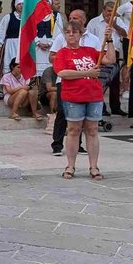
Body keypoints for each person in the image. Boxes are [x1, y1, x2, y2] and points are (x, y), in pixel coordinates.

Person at [55, 21, 116, 180]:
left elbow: (110, 59)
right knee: (73, 130)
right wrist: (86, 73)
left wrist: (109, 40)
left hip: (94, 95)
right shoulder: (62, 53)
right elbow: (62, 73)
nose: (71, 35)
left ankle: (94, 166)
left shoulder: (89, 50)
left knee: (92, 130)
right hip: (73, 96)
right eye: (68, 32)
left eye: (75, 32)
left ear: (81, 34)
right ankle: (70, 165)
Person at [48, 11, 100, 156]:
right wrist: (63, 58)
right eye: (70, 18)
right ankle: (57, 144)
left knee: (83, 119)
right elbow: (52, 55)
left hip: (87, 85)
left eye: (75, 18)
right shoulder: (61, 37)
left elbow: (103, 57)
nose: (72, 20)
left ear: (84, 20)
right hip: (66, 82)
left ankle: (79, 145)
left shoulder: (94, 40)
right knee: (63, 113)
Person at [87, 1, 128, 116]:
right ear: (104, 10)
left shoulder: (118, 21)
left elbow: (125, 34)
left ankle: (115, 107)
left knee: (114, 81)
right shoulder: (94, 22)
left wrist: (115, 25)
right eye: (109, 11)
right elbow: (89, 36)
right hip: (99, 52)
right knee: (100, 81)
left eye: (113, 11)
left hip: (113, 52)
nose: (111, 13)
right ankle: (101, 107)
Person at [0, 0, 24, 82]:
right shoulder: (8, 17)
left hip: (22, 44)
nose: (21, 6)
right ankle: (7, 84)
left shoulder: (27, 18)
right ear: (15, 6)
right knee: (9, 64)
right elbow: (1, 31)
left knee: (21, 64)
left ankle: (21, 84)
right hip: (10, 44)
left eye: (23, 4)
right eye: (19, 4)